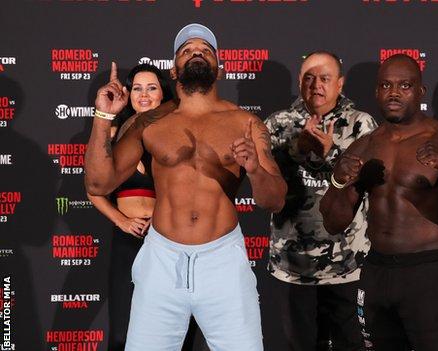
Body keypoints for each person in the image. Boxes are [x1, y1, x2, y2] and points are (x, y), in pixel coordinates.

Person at [84, 23, 286, 351]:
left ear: (218, 70)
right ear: (174, 70)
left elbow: (275, 200)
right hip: (161, 261)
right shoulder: (148, 122)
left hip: (223, 262)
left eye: (205, 51)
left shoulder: (246, 124)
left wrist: (255, 170)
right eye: (186, 51)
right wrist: (102, 117)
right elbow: (98, 182)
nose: (196, 54)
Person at [320, 54, 438, 351]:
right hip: (377, 271)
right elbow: (334, 223)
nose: (394, 92)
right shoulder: (365, 145)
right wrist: (339, 181)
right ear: (377, 92)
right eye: (386, 85)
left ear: (420, 92)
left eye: (405, 85)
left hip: (428, 273)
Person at [265, 51, 377, 351]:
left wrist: (331, 157)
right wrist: (297, 151)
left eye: (325, 78)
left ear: (340, 84)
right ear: (299, 82)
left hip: (348, 266)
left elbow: (371, 184)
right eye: (309, 78)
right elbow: (267, 189)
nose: (316, 85)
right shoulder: (278, 124)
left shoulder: (361, 125)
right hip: (293, 267)